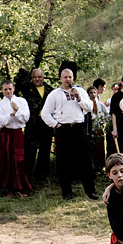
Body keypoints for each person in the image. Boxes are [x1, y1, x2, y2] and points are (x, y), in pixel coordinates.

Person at [41, 69, 96, 200]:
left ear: (73, 78)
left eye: (70, 77)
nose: (68, 80)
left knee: (85, 160)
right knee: (63, 161)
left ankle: (90, 190)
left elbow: (89, 107)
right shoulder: (54, 94)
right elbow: (45, 113)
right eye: (65, 77)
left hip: (78, 127)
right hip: (63, 129)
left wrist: (79, 98)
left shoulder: (80, 91)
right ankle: (67, 192)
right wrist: (55, 124)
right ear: (60, 78)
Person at [19, 68, 54, 183]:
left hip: (46, 125)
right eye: (35, 77)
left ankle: (41, 177)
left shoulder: (50, 90)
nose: (37, 79)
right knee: (30, 151)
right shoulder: (26, 88)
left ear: (43, 77)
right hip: (32, 125)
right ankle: (27, 177)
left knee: (45, 151)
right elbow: (18, 82)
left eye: (39, 77)